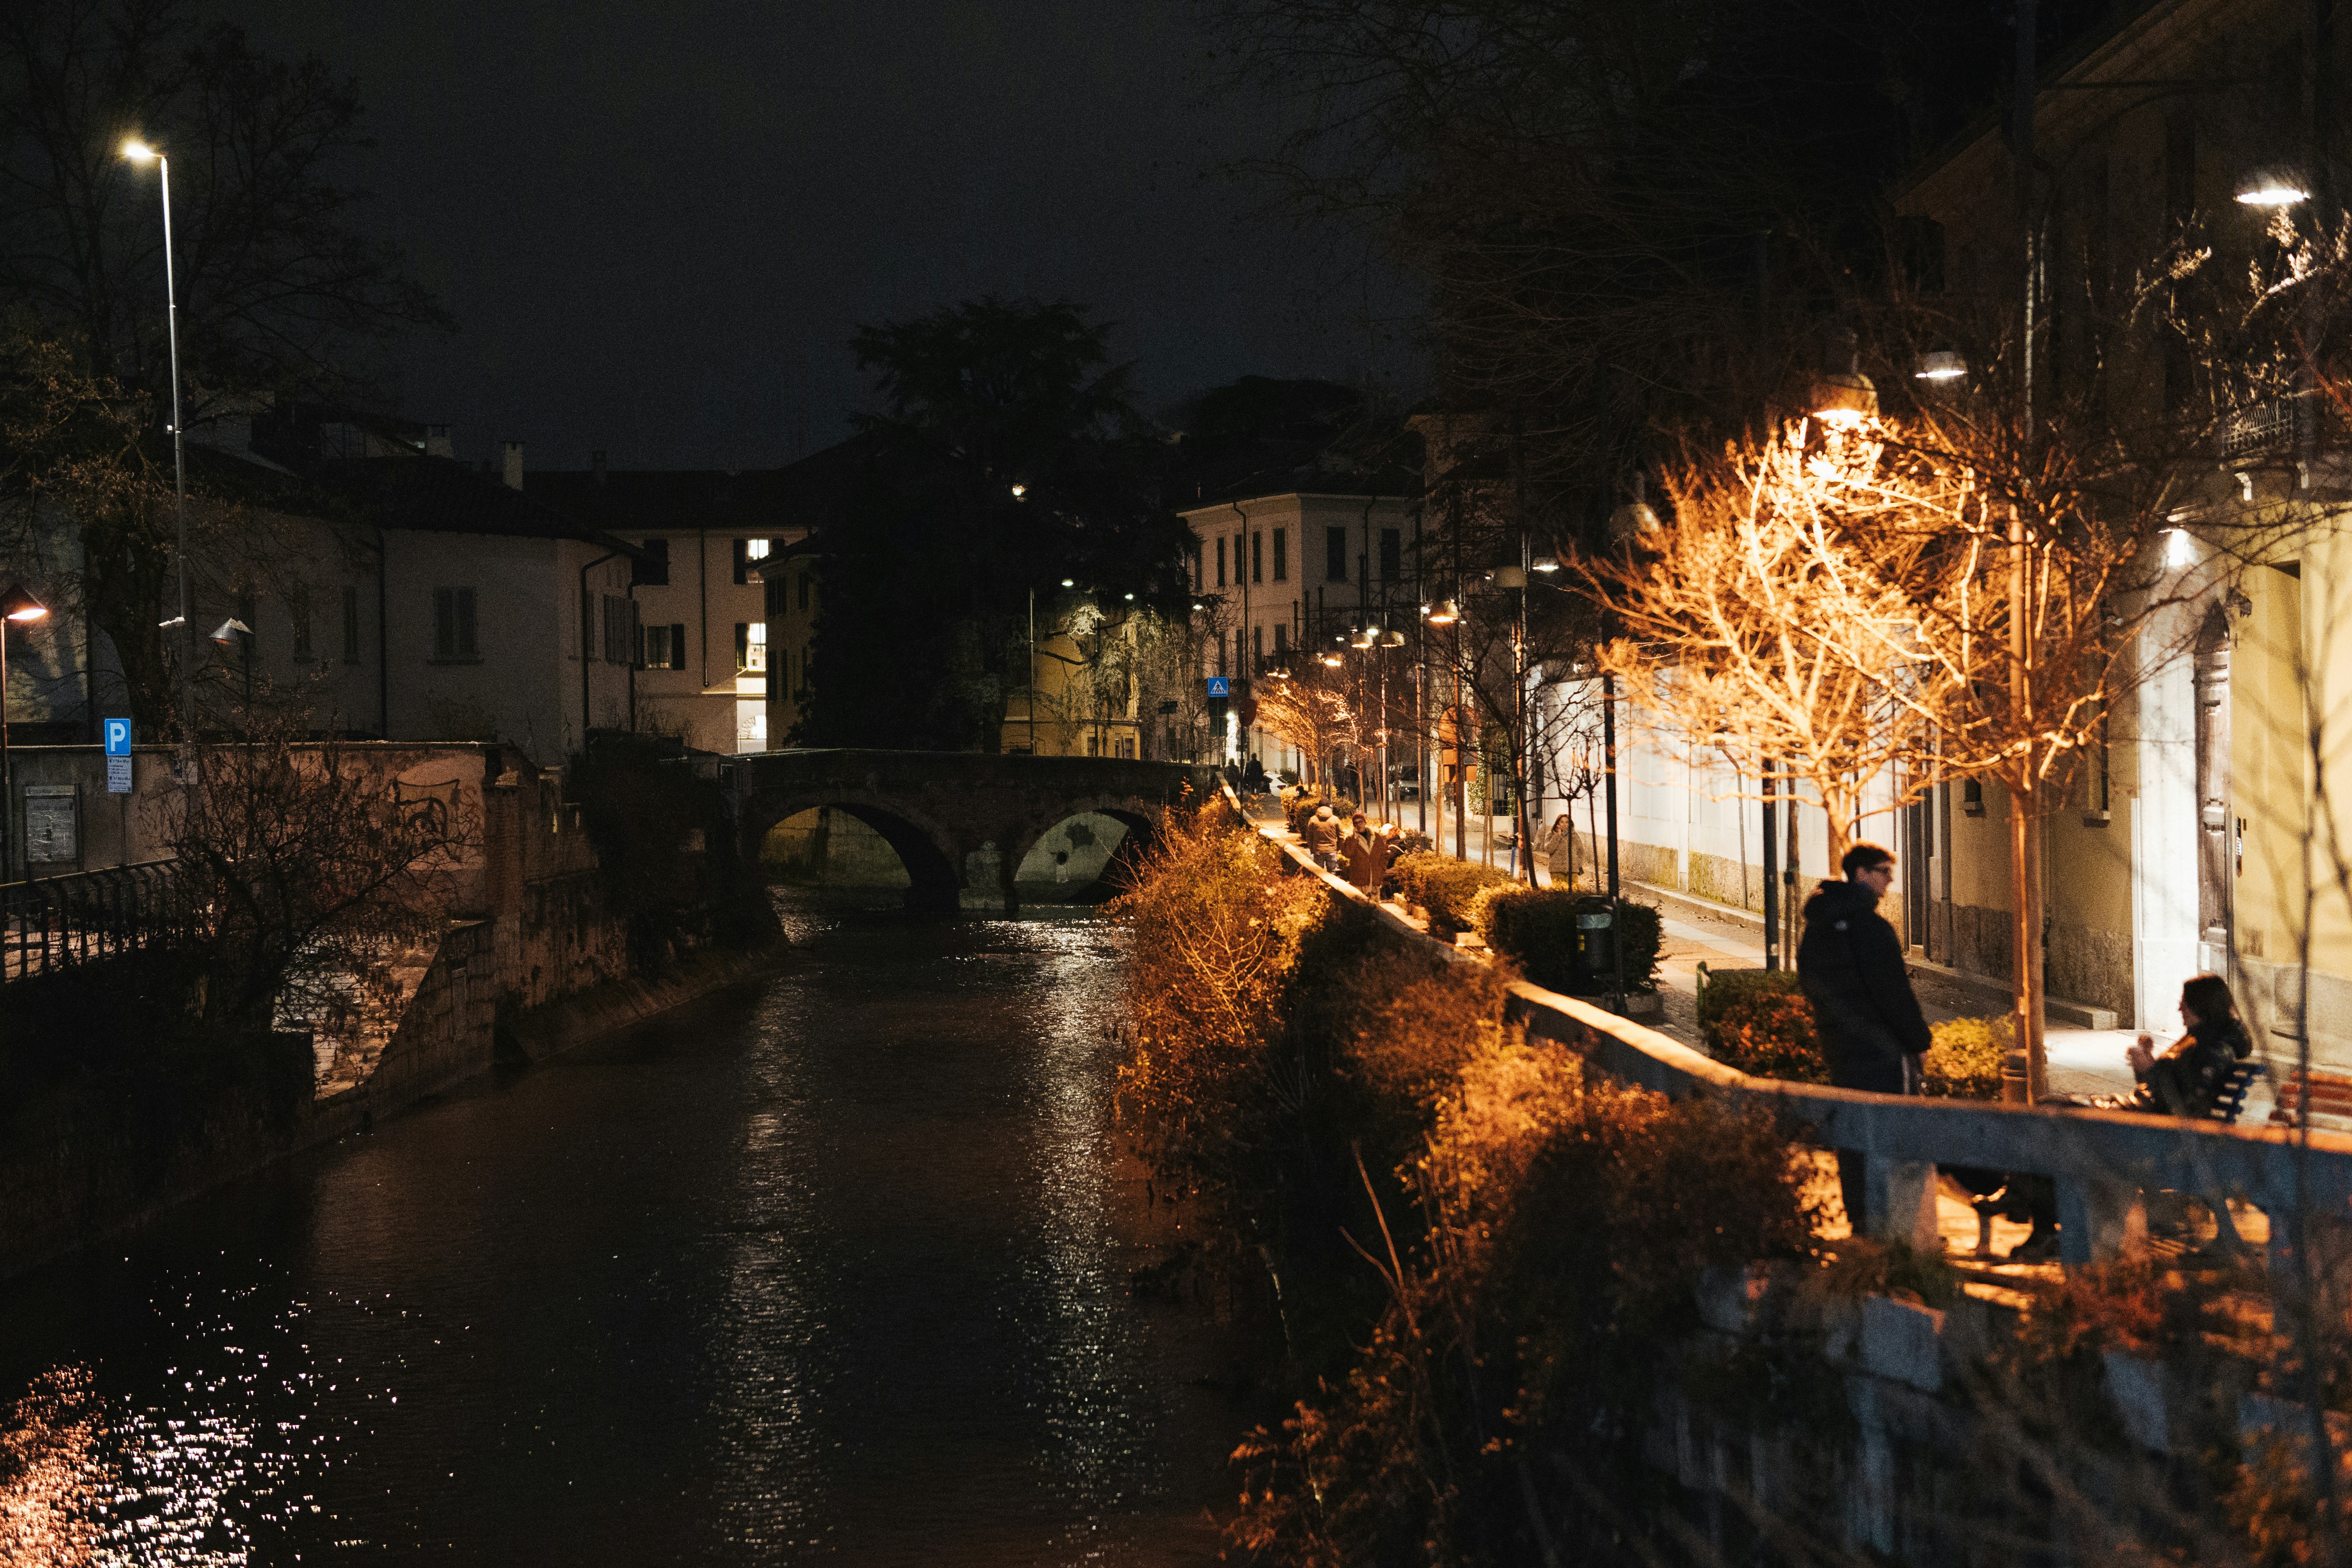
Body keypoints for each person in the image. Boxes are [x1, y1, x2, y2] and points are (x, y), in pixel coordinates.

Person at [1797, 841, 1932, 1235]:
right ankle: (1897, 1224)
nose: (1890, 879)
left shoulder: (1818, 926)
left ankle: (1861, 1218)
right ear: (1861, 874)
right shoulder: (1872, 929)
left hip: (1840, 1048)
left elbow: (1810, 982)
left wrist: (1837, 1024)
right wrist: (1917, 1040)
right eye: (1884, 870)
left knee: (1853, 1131)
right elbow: (1893, 993)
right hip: (1885, 1052)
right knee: (1898, 1131)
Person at [1340, 811, 1393, 896]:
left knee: (1375, 907)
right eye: (1356, 823)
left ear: (1365, 822)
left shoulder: (1376, 837)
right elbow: (1348, 853)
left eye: (1361, 822)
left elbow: (1384, 855)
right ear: (1354, 826)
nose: (1359, 825)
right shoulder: (1351, 839)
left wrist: (1381, 871)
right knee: (1360, 907)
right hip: (1359, 881)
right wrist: (1355, 839)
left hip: (1374, 880)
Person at [1301, 802, 1344, 872]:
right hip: (1332, 850)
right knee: (1332, 873)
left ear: (1319, 807)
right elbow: (1341, 836)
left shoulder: (1313, 819)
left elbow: (1309, 836)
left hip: (1318, 850)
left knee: (1318, 874)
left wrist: (1313, 849)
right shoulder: (1335, 819)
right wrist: (1337, 848)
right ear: (1329, 807)